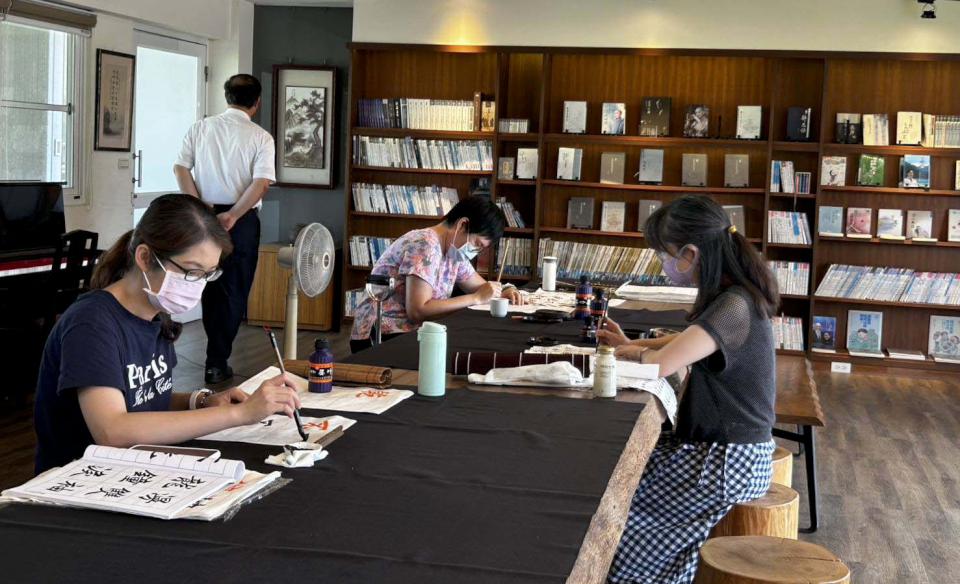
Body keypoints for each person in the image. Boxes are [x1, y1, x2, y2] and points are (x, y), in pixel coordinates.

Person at [33, 195, 301, 474]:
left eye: (208, 274)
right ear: (145, 257)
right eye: (192, 272)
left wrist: (201, 401)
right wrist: (238, 414)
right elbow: (112, 430)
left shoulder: (155, 314)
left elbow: (145, 398)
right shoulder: (91, 323)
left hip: (134, 469)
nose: (198, 285)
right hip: (80, 480)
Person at [597, 195, 779, 583]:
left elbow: (662, 365)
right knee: (623, 477)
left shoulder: (734, 305)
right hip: (728, 453)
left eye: (664, 255)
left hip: (725, 461)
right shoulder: (737, 295)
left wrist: (634, 353)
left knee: (619, 513)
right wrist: (634, 344)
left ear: (691, 254)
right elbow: (688, 341)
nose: (662, 264)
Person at [174, 74, 275, 384]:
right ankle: (216, 361)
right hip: (240, 219)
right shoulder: (261, 137)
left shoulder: (200, 128)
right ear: (257, 102)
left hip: (202, 216)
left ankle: (213, 358)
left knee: (207, 283)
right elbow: (261, 183)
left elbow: (180, 167)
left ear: (227, 97)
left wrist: (198, 205)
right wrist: (233, 215)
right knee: (235, 288)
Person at [350, 196, 524, 352]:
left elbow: (482, 288)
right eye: (477, 244)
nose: (475, 252)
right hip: (381, 336)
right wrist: (476, 298)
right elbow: (418, 310)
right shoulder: (425, 244)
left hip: (410, 332)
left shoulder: (453, 252)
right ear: (462, 225)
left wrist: (505, 290)